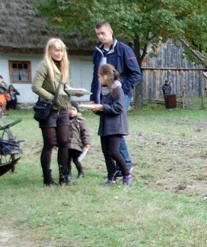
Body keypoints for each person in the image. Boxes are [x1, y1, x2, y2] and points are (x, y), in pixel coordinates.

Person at [90, 20, 141, 177]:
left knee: (115, 129)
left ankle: (125, 165)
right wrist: (93, 97)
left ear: (110, 31)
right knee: (108, 130)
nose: (101, 36)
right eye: (98, 34)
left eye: (103, 33)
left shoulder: (123, 50)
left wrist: (122, 90)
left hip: (120, 95)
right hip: (103, 96)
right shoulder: (98, 52)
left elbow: (136, 74)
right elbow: (95, 76)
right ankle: (117, 167)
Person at [32, 38, 77, 185]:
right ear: (50, 51)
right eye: (56, 50)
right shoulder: (44, 65)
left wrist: (73, 96)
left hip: (62, 109)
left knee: (64, 142)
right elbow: (36, 87)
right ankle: (47, 177)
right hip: (48, 109)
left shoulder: (64, 66)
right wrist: (52, 98)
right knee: (50, 143)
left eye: (61, 50)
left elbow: (65, 88)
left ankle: (64, 176)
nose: (59, 53)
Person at [88, 64, 133, 186]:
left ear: (106, 76)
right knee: (106, 153)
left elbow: (118, 108)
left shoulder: (117, 89)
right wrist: (96, 110)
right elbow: (106, 109)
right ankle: (111, 178)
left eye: (99, 76)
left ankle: (127, 174)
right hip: (105, 126)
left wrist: (102, 106)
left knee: (114, 152)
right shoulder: (104, 89)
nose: (98, 79)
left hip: (116, 126)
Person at [68, 101, 91, 179]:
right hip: (66, 144)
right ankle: (68, 173)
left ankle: (80, 172)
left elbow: (85, 132)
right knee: (67, 160)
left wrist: (86, 142)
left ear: (77, 111)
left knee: (76, 159)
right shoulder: (64, 120)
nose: (71, 111)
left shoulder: (80, 121)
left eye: (73, 109)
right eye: (69, 109)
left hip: (76, 145)